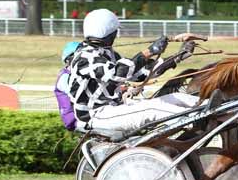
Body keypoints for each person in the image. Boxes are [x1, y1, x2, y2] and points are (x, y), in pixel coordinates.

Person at [68, 8, 198, 132]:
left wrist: (178, 57)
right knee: (153, 109)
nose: (116, 36)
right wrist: (150, 51)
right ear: (109, 33)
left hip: (113, 110)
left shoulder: (107, 54)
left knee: (176, 97)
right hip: (95, 116)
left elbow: (142, 74)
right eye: (115, 33)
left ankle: (212, 107)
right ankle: (198, 121)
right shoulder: (84, 57)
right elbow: (117, 74)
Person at [54, 41, 82, 131]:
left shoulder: (75, 74)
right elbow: (79, 95)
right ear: (69, 60)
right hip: (75, 120)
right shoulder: (65, 77)